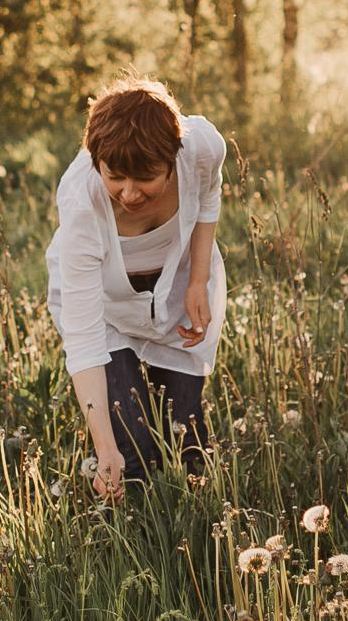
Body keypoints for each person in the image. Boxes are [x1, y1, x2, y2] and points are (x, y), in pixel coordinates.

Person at [45, 77, 228, 499]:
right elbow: (86, 343)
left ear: (172, 158)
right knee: (133, 446)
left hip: (178, 286)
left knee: (185, 432)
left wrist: (198, 279)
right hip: (105, 307)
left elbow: (210, 195)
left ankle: (195, 524)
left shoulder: (202, 147)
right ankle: (133, 537)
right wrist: (105, 449)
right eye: (115, 177)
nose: (128, 194)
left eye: (144, 177)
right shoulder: (81, 207)